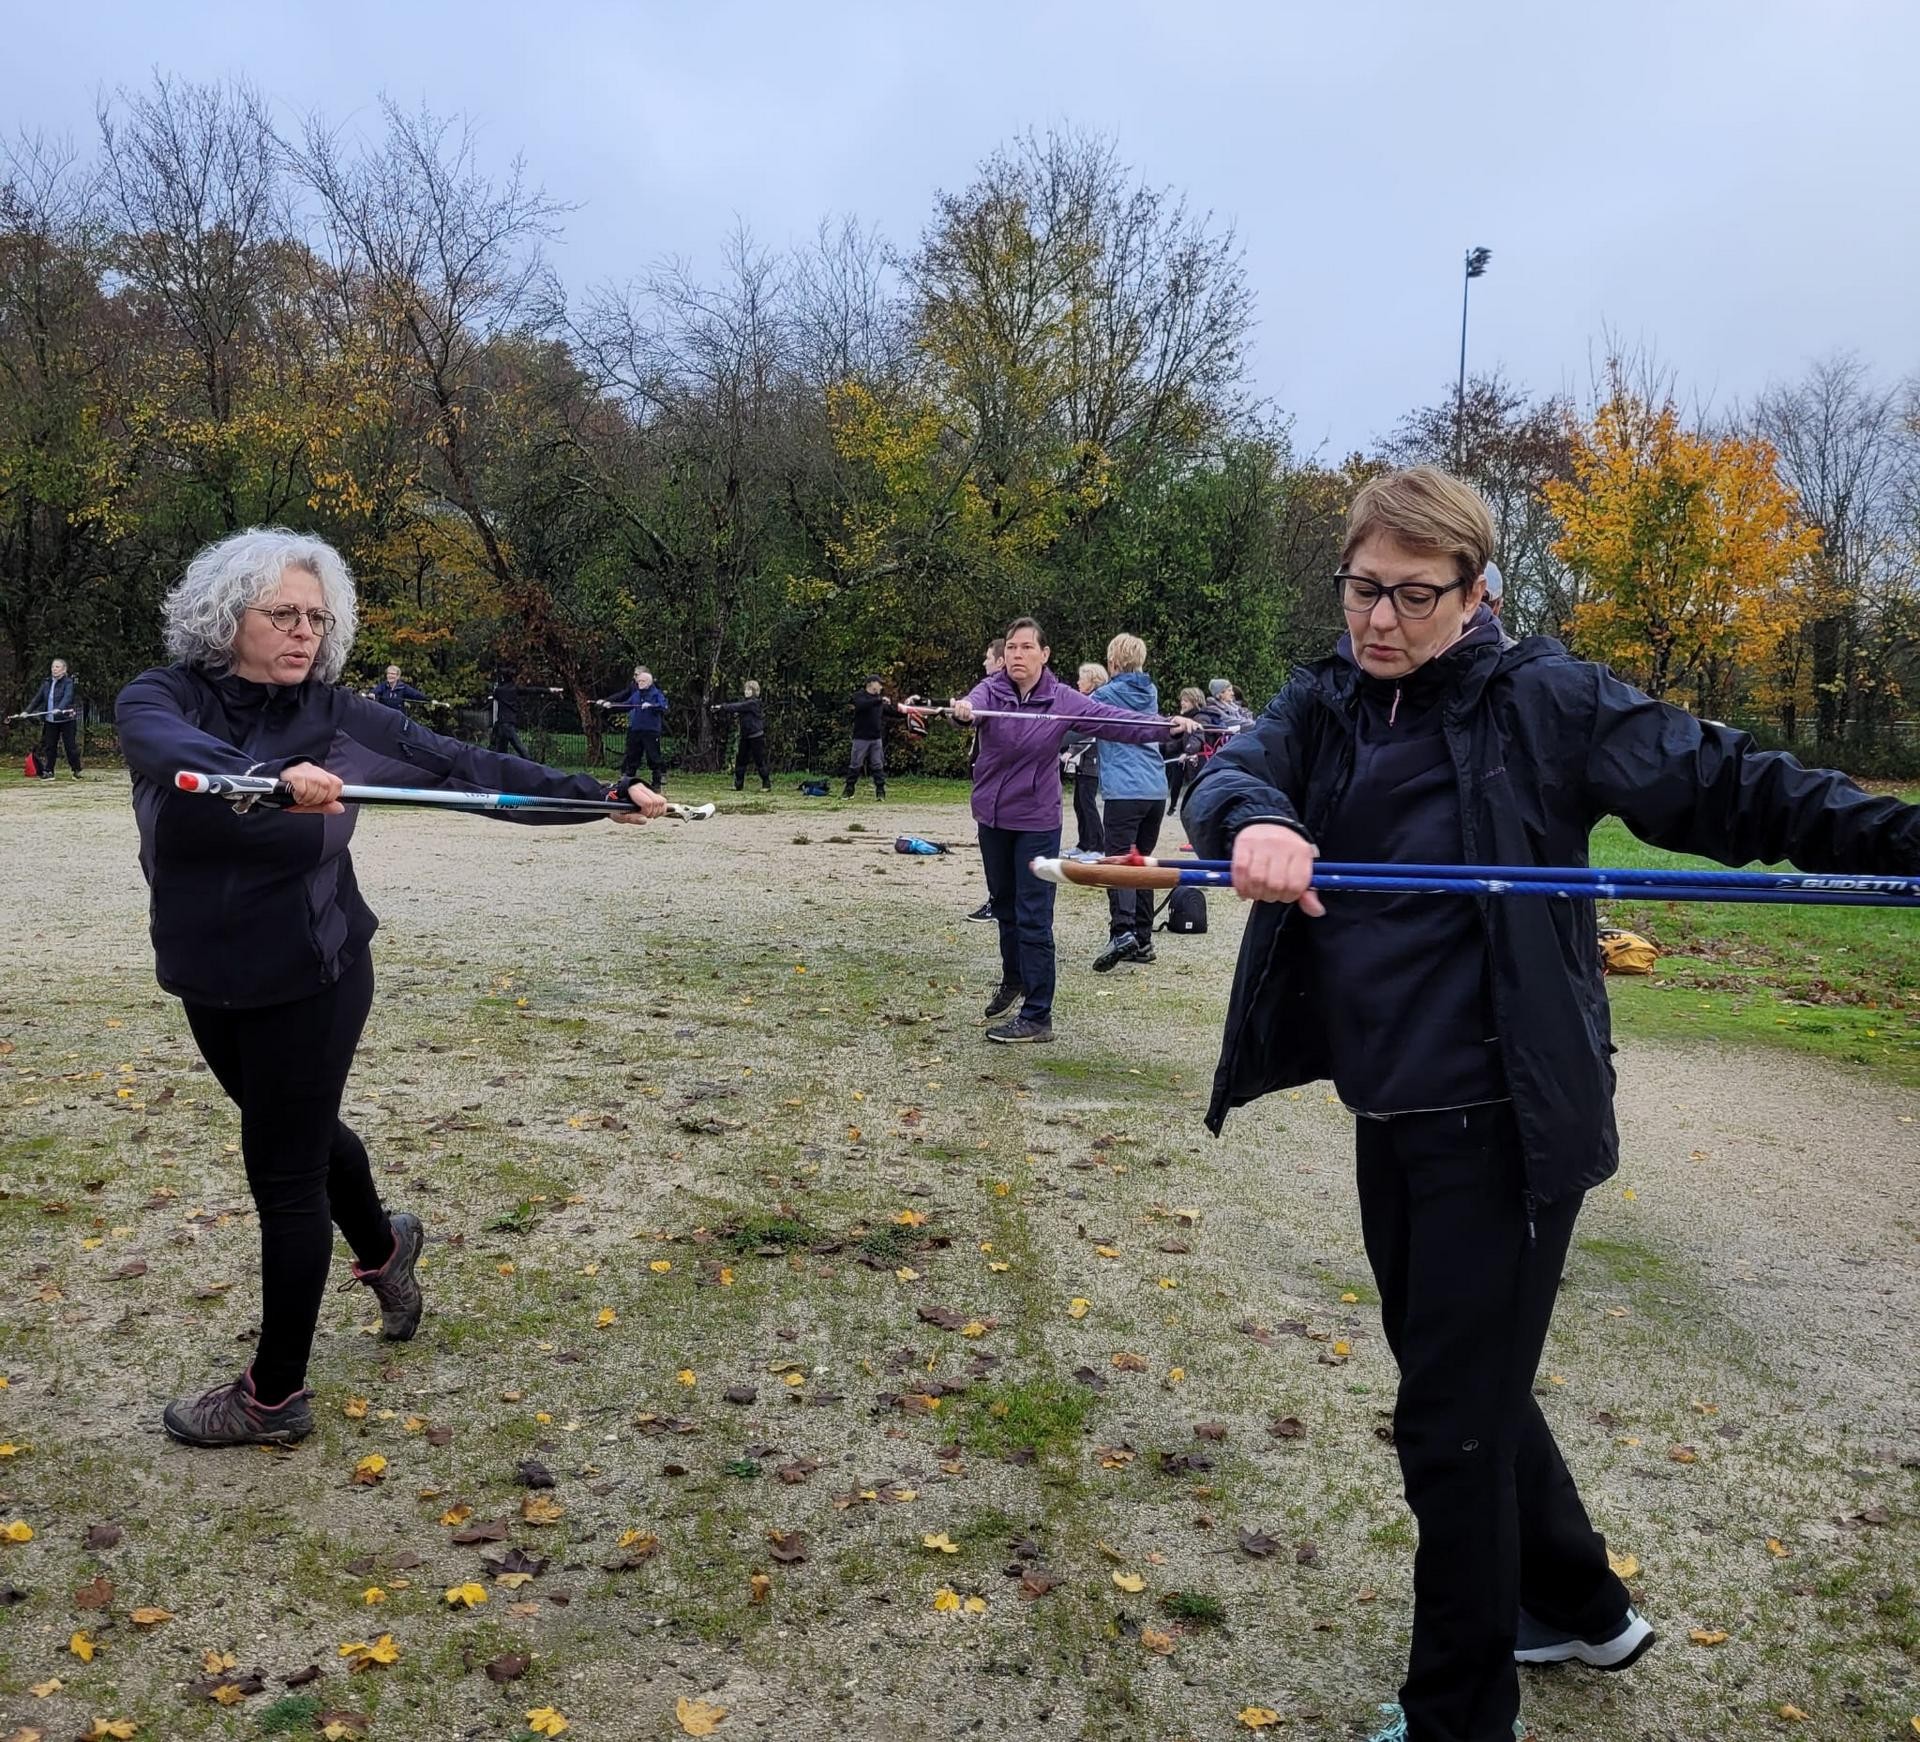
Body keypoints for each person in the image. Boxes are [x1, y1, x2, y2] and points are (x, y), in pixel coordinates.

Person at [1181, 465, 1920, 1742]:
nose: (1382, 620)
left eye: (1417, 595)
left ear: (1479, 593)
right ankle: (1579, 1601)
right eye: (1364, 587)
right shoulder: (1327, 701)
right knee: (1466, 1379)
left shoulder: (1549, 701)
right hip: (1391, 1107)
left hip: (1505, 1122)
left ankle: (1462, 1714)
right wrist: (1253, 820)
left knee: (1449, 1425)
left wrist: (1902, 836)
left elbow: (1739, 786)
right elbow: (1233, 774)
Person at [115, 528, 665, 1449]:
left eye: (316, 619)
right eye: (282, 614)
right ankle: (385, 1248)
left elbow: (467, 769)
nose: (303, 634)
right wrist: (268, 779)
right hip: (206, 972)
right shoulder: (160, 695)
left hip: (314, 971)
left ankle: (273, 1395)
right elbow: (164, 745)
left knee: (283, 1172)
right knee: (301, 1131)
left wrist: (600, 792)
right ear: (227, 617)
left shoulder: (338, 715)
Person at [951, 618, 1198, 1043]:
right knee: (1003, 905)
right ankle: (1014, 979)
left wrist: (1166, 726)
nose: (1017, 655)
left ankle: (1037, 1014)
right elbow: (970, 710)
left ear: (1044, 655)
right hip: (992, 818)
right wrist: (962, 713)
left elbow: (1115, 721)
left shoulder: (1061, 699)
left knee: (1033, 916)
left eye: (1027, 647)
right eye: (1011, 647)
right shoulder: (989, 691)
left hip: (1036, 822)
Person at [1088, 634, 1169, 972]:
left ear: (1114, 663)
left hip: (1125, 791)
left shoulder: (1104, 696)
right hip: (1155, 791)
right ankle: (1143, 938)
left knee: (1118, 863)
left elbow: (1077, 723)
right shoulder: (1149, 694)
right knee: (1142, 864)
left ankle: (1122, 931)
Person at [965, 639, 1008, 922]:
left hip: (1001, 788)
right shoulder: (986, 690)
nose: (984, 662)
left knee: (998, 852)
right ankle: (999, 899)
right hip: (986, 784)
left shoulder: (1001, 691)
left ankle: (998, 902)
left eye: (988, 658)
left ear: (1000, 662)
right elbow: (971, 706)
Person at [1061, 662, 1107, 855]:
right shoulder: (1083, 702)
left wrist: (1071, 751)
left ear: (1093, 682)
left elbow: (1090, 733)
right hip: (1082, 763)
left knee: (1088, 804)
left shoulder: (1096, 703)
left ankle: (1099, 846)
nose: (1078, 682)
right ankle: (1084, 844)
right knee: (1079, 803)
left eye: (1082, 678)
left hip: (1093, 762)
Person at [599, 666, 669, 789]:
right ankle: (628, 781)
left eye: (642, 681)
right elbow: (627, 705)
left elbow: (663, 706)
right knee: (632, 755)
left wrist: (652, 705)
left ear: (649, 682)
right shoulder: (636, 694)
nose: (639, 683)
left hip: (650, 731)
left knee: (653, 756)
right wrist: (612, 705)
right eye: (638, 681)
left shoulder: (656, 694)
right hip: (636, 730)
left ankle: (657, 782)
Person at [845, 676, 906, 798]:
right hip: (861, 737)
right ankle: (849, 789)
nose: (881, 687)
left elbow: (891, 712)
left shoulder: (879, 701)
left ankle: (880, 791)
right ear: (872, 684)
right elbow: (861, 705)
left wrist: (907, 713)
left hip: (876, 738)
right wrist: (879, 701)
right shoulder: (860, 696)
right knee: (855, 764)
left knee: (878, 765)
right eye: (879, 684)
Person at [28, 658, 82, 780]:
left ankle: (76, 769)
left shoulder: (68, 683)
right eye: (53, 667)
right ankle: (49, 771)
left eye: (57, 667)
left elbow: (68, 697)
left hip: (66, 720)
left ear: (64, 670)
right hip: (50, 720)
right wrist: (27, 711)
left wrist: (60, 708)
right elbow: (38, 698)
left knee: (70, 747)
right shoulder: (47, 682)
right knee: (49, 746)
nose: (54, 669)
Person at [713, 679, 771, 791]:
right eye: (746, 689)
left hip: (756, 736)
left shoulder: (754, 703)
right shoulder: (746, 703)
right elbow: (739, 708)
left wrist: (722, 707)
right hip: (746, 736)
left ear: (754, 691)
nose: (746, 691)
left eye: (749, 690)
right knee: (741, 760)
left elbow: (738, 706)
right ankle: (738, 784)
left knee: (759, 760)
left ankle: (766, 784)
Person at [1164, 685, 1208, 811]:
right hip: (1191, 762)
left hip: (1199, 762)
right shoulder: (1190, 718)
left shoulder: (1200, 718)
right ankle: (1173, 806)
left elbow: (1197, 738)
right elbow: (1184, 740)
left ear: (1195, 702)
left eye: (1186, 701)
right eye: (1182, 700)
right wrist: (1167, 747)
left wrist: (1187, 752)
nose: (1182, 703)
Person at [489, 670, 530, 758]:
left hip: (502, 722)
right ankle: (531, 762)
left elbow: (495, 695)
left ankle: (530, 762)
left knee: (503, 748)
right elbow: (532, 690)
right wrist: (549, 690)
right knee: (517, 746)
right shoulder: (514, 689)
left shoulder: (499, 690)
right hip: (510, 722)